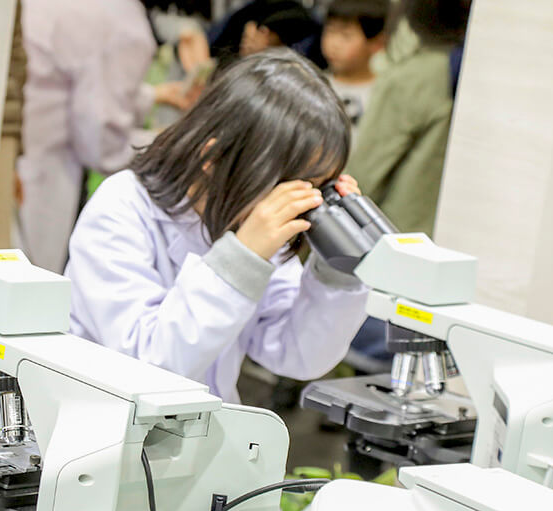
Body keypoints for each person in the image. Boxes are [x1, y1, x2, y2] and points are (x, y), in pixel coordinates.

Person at [65, 48, 369, 403]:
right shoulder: (121, 208)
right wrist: (240, 260)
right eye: (293, 186)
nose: (301, 202)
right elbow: (149, 366)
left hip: (206, 426)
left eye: (317, 186)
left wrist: (337, 268)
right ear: (215, 157)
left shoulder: (247, 222)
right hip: (109, 421)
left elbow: (296, 353)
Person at [17, 0, 157, 273]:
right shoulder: (121, 19)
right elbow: (102, 144)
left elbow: (72, 87)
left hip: (12, 160)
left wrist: (153, 96)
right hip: (42, 183)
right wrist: (170, 142)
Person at [346, 0, 471, 236]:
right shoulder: (470, 70)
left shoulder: (413, 77)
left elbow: (364, 176)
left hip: (395, 238)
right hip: (444, 236)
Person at [321, 0, 388, 131]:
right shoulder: (315, 86)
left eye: (346, 36)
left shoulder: (384, 94)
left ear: (377, 44)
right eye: (330, 31)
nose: (334, 44)